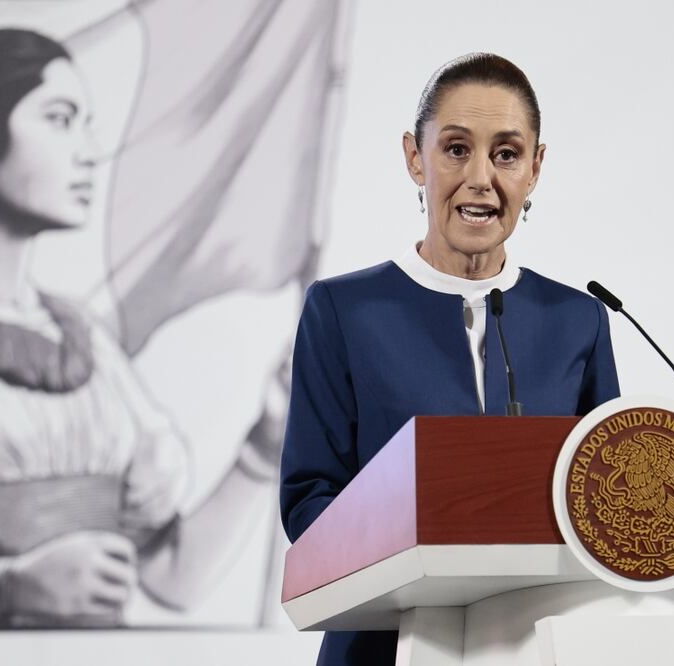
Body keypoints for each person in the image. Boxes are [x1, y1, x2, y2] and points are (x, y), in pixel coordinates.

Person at [0, 28, 278, 628]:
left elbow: (172, 578)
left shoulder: (85, 343)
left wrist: (267, 447)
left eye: (87, 122)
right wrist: (6, 586)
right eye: (60, 118)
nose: (90, 150)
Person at [280, 53, 621, 666]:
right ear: (416, 157)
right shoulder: (344, 311)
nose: (481, 178)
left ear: (536, 167)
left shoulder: (579, 321)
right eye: (456, 149)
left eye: (507, 154)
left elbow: (606, 500)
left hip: (538, 647)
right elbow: (310, 504)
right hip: (379, 648)